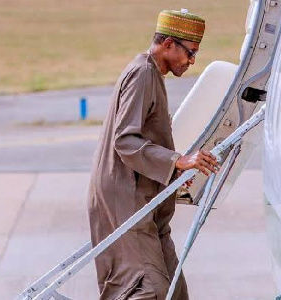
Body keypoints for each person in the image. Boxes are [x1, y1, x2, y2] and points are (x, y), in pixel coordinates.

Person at [87, 9, 218, 300]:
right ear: (169, 44)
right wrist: (177, 160)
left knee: (173, 289)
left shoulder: (151, 73)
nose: (192, 61)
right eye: (190, 52)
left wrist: (173, 172)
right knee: (148, 290)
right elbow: (125, 139)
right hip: (125, 199)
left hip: (145, 200)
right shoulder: (143, 73)